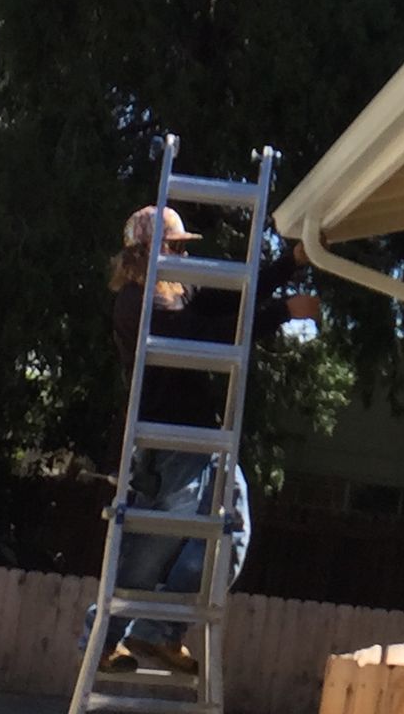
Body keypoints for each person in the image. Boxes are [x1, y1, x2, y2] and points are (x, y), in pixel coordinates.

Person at [90, 204, 320, 675]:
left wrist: (288, 263)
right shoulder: (138, 301)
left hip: (204, 437)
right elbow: (201, 338)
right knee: (158, 543)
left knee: (229, 535)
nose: (181, 254)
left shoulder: (178, 290)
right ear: (149, 250)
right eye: (174, 246)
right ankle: (103, 638)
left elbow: (232, 301)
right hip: (167, 441)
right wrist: (281, 312)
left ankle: (159, 632)